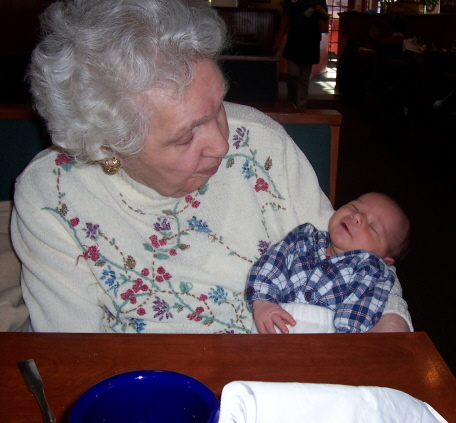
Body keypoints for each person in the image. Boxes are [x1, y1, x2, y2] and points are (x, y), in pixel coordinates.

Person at [9, 0, 412, 334]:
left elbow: (357, 260)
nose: (223, 144)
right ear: (109, 145)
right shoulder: (53, 194)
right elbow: (74, 353)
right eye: (186, 137)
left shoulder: (259, 140)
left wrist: (389, 325)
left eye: (217, 104)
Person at [246, 192, 411, 334]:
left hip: (325, 336)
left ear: (384, 260)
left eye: (373, 227)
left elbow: (361, 310)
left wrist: (345, 341)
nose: (357, 217)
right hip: (273, 324)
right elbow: (271, 264)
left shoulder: (371, 270)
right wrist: (262, 301)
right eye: (354, 207)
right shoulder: (303, 238)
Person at [275, 0, 329, 109]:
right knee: (293, 75)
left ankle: (301, 107)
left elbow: (326, 16)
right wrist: (278, 41)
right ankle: (292, 101)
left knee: (304, 78)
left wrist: (322, 11)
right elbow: (285, 19)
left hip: (310, 41)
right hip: (294, 40)